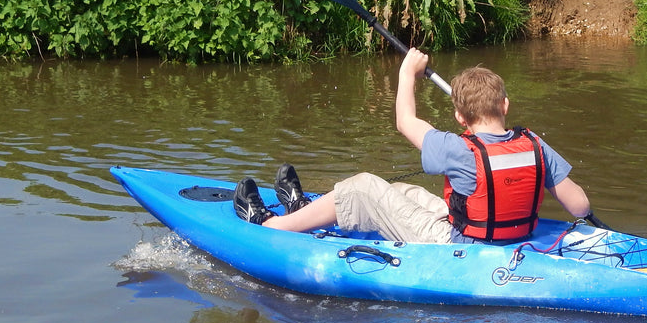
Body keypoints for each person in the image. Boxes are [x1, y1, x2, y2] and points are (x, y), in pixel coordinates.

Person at [233, 47, 592, 244]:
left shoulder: (458, 148)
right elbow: (579, 205)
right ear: (506, 106)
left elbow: (405, 122)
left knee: (363, 186)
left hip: (459, 245)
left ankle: (272, 227)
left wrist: (407, 73)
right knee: (402, 190)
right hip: (512, 234)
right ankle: (302, 210)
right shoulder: (534, 145)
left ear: (460, 118)